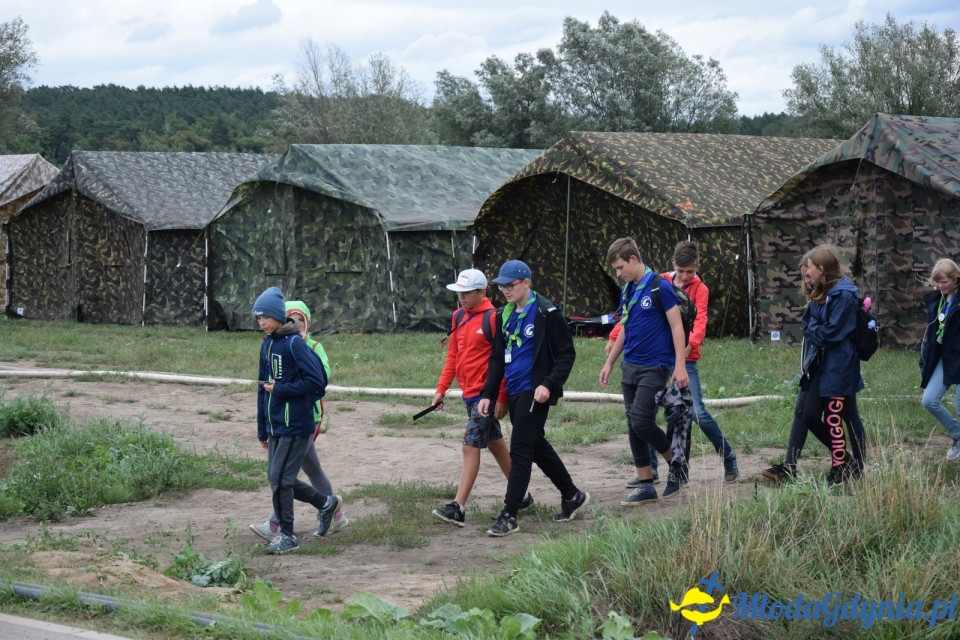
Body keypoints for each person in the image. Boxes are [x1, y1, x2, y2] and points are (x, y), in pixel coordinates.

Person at [607, 241, 739, 484]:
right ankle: (652, 470)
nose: (686, 276)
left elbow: (697, 327)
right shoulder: (661, 281)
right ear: (673, 267)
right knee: (642, 417)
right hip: (658, 359)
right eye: (681, 271)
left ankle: (727, 455)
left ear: (698, 267)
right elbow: (632, 312)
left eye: (691, 271)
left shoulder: (700, 290)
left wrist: (681, 358)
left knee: (696, 413)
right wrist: (614, 337)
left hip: (682, 359)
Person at [478, 260, 589, 536]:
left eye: (510, 285)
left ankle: (510, 513)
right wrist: (488, 394)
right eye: (501, 285)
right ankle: (572, 495)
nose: (505, 290)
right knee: (536, 444)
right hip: (514, 391)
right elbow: (496, 359)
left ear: (526, 283)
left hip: (534, 391)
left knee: (521, 449)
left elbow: (566, 354)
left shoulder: (546, 312)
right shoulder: (504, 314)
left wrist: (548, 384)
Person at [431, 269, 533, 527]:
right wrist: (441, 389)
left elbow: (501, 362)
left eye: (466, 293)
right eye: (458, 293)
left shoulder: (494, 318)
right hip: (469, 395)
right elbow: (452, 356)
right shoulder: (458, 317)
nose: (461, 298)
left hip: (485, 398)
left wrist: (501, 397)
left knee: (470, 445)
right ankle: (520, 494)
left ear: (482, 292)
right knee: (496, 443)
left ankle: (458, 507)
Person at [761, 245, 865, 486]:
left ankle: (851, 467)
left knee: (841, 416)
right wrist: (814, 328)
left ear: (821, 269)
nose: (805, 279)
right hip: (820, 363)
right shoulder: (822, 292)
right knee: (809, 414)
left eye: (808, 274)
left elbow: (828, 333)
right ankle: (844, 462)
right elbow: (810, 324)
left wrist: (813, 329)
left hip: (839, 364)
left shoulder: (843, 295)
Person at [599, 237, 689, 506]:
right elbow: (625, 327)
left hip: (656, 366)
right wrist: (610, 362)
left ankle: (676, 463)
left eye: (619, 267)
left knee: (641, 421)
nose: (618, 273)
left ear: (634, 259)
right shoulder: (628, 289)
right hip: (631, 366)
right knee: (632, 425)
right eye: (615, 269)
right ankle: (646, 485)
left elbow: (676, 327)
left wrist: (680, 366)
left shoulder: (660, 286)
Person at [249, 300, 348, 542]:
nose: (261, 322)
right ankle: (328, 506)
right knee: (283, 476)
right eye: (258, 318)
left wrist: (282, 389)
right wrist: (263, 428)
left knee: (283, 477)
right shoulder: (268, 345)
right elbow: (263, 387)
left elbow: (318, 381)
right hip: (277, 424)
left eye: (266, 317)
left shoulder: (301, 345)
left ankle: (283, 530)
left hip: (301, 421)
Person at [920, 258, 960, 460]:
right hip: (946, 358)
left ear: (955, 279)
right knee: (929, 401)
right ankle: (958, 434)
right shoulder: (937, 300)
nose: (939, 286)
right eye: (937, 282)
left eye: (943, 281)